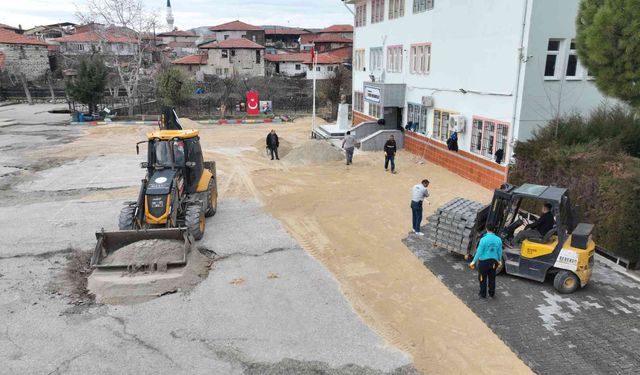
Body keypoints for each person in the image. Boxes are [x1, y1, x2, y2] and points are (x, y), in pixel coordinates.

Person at [470, 224, 503, 299]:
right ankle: (491, 293)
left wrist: (473, 261)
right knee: (492, 278)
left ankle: (483, 294)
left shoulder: (483, 239)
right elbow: (499, 252)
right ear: (494, 229)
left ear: (486, 229)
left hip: (484, 263)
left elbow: (479, 252)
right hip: (494, 262)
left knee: (482, 277)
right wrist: (499, 260)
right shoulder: (498, 239)